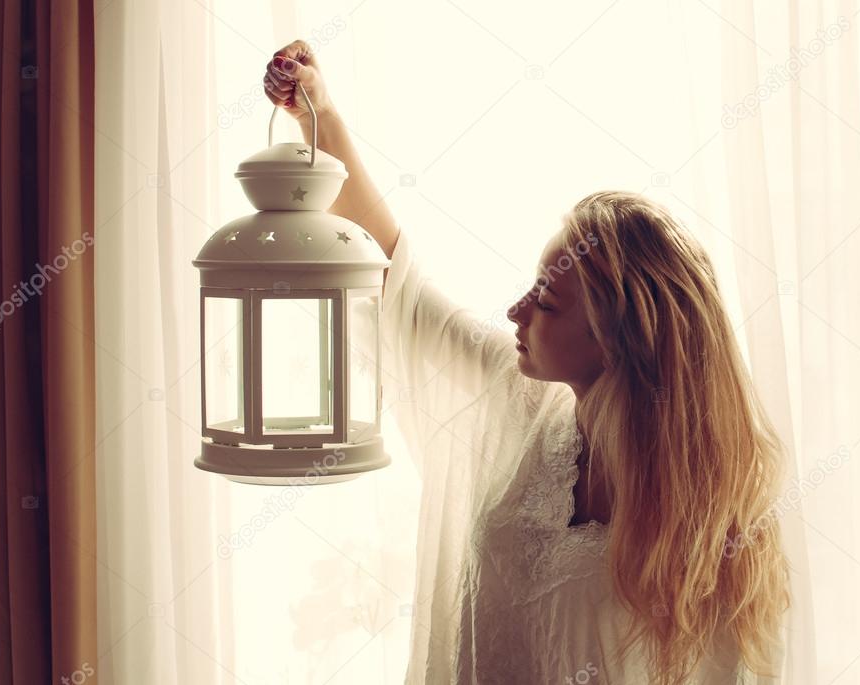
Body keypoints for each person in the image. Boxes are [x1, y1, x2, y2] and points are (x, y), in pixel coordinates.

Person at [263, 39, 791, 685]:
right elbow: (395, 281)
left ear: (612, 335)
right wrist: (322, 116)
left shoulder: (714, 517)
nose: (516, 310)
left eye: (546, 299)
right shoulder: (515, 396)